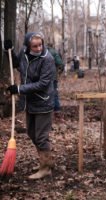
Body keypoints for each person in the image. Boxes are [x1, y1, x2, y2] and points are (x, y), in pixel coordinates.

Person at [5, 32, 56, 179]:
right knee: (32, 133)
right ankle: (46, 161)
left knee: (41, 136)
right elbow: (17, 64)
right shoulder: (25, 53)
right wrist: (9, 50)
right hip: (30, 102)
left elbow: (43, 83)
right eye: (35, 46)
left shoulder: (47, 59)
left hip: (43, 101)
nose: (39, 48)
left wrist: (19, 89)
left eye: (40, 45)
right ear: (28, 46)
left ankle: (46, 168)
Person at [47, 43, 64, 111]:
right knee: (54, 92)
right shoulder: (54, 52)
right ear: (52, 46)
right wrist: (59, 72)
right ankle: (57, 108)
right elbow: (61, 64)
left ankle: (48, 109)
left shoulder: (42, 51)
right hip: (53, 76)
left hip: (43, 77)